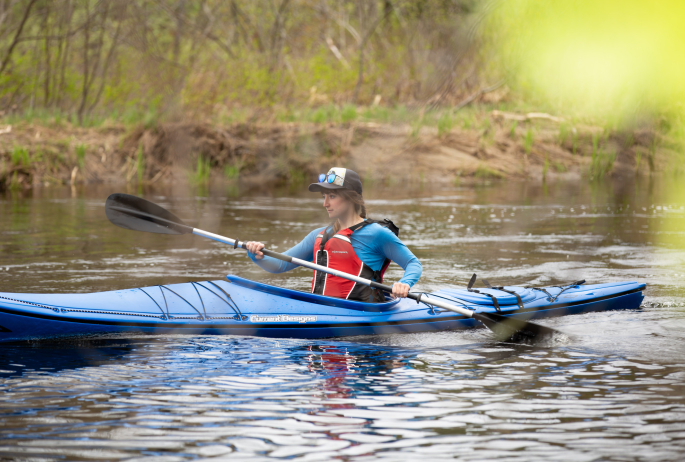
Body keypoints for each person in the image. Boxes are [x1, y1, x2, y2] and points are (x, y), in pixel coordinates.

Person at [245, 167, 422, 302]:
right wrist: (257, 254)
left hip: (363, 317)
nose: (325, 203)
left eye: (331, 196)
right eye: (324, 196)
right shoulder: (319, 236)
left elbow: (413, 263)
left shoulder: (376, 234)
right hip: (321, 311)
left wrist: (404, 283)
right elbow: (279, 265)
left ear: (351, 198)